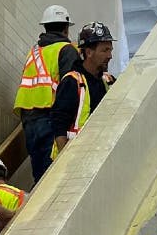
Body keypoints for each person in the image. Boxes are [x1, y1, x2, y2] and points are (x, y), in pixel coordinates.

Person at [13, 5, 81, 182]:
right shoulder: (67, 50)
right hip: (50, 115)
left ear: (45, 27)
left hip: (28, 118)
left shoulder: (34, 52)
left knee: (39, 171)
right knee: (52, 173)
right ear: (66, 28)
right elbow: (71, 85)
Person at [49, 22, 116, 161]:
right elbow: (59, 123)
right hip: (74, 159)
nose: (110, 55)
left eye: (111, 50)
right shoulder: (71, 82)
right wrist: (63, 161)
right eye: (105, 50)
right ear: (89, 52)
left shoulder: (109, 81)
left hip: (101, 155)